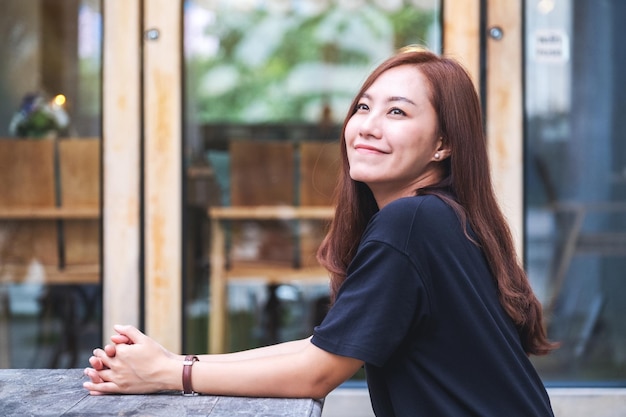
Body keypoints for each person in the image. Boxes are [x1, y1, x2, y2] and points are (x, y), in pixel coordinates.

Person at [84, 46, 557, 416]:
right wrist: (178, 362)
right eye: (364, 107)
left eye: (397, 112)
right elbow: (323, 346)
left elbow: (318, 373)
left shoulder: (412, 221)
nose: (367, 127)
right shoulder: (440, 217)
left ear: (443, 144)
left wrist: (172, 375)